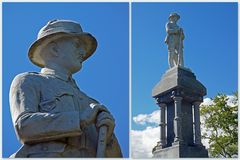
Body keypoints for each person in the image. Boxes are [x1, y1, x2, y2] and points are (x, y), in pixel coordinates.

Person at [9, 19, 122, 158]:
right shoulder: (29, 81)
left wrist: (108, 139)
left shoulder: (91, 103)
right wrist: (80, 119)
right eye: (76, 45)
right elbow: (24, 126)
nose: (82, 52)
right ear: (54, 49)